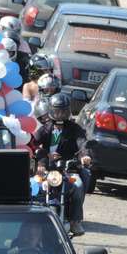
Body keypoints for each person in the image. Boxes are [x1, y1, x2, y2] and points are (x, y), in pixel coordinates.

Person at [33, 93, 92, 236]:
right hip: (47, 169)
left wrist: (85, 156)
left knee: (78, 186)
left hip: (68, 169)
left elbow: (82, 143)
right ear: (51, 111)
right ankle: (32, 218)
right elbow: (34, 144)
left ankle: (75, 221)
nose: (59, 114)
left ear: (68, 111)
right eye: (56, 111)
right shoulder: (45, 128)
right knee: (34, 187)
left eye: (63, 111)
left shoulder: (74, 128)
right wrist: (42, 159)